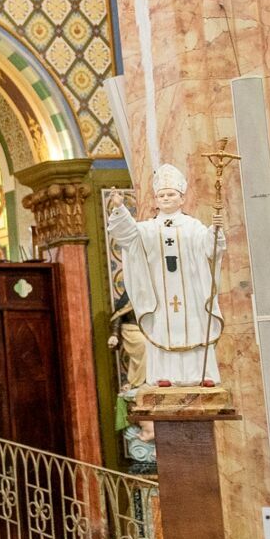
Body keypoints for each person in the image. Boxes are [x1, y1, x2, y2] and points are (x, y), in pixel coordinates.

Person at [105, 163, 225, 386]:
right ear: (156, 199)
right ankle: (165, 376)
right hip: (160, 293)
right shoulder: (147, 229)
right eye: (161, 195)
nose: (166, 198)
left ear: (181, 198)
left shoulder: (193, 226)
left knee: (195, 327)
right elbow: (126, 235)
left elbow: (210, 251)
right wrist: (120, 209)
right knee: (162, 330)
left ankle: (201, 375)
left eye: (171, 194)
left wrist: (214, 233)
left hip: (190, 293)